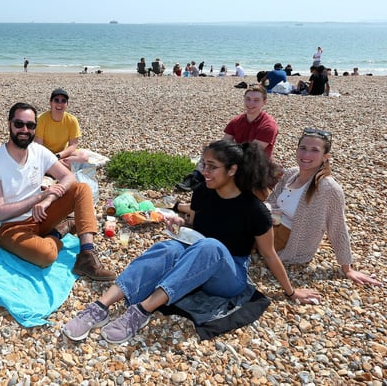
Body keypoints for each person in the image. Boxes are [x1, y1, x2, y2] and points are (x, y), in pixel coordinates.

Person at [63, 140, 320, 344]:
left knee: (212, 246)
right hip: (195, 260)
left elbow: (269, 254)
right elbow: (196, 227)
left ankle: (141, 312)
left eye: (211, 166)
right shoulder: (202, 194)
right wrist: (179, 225)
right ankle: (100, 306)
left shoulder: (255, 210)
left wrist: (291, 291)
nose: (203, 171)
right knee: (169, 246)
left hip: (228, 276)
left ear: (232, 170)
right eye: (203, 164)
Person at [0, 102, 115, 281]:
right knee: (45, 256)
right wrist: (39, 197)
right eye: (19, 124)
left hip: (39, 215)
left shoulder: (38, 151)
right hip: (8, 227)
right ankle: (58, 232)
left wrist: (47, 200)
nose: (25, 130)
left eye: (30, 125)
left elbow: (69, 177)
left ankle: (87, 256)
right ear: (9, 124)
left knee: (81, 189)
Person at [267, 129, 380, 287]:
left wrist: (347, 268)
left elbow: (337, 226)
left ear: (325, 157)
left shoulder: (328, 188)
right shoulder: (292, 173)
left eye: (314, 150)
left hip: (288, 242)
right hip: (272, 225)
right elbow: (272, 202)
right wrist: (267, 218)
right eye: (303, 148)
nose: (306, 155)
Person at [177, 85, 278, 192]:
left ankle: (208, 183)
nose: (250, 104)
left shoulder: (268, 126)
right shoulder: (237, 121)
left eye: (256, 100)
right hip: (238, 155)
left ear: (264, 102)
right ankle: (196, 178)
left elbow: (252, 153)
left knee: (224, 164)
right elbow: (225, 143)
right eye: (248, 99)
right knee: (212, 152)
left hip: (256, 164)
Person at [35, 89, 89, 168]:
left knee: (84, 157)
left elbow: (73, 145)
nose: (59, 104)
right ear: (50, 103)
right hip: (45, 154)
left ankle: (52, 167)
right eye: (56, 100)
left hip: (62, 154)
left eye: (63, 101)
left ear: (67, 104)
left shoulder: (72, 120)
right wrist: (50, 157)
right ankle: (56, 167)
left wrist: (58, 156)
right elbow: (38, 145)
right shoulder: (41, 119)